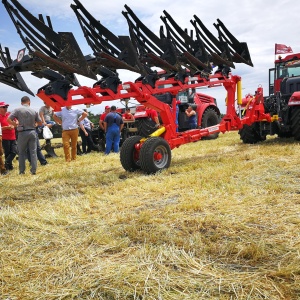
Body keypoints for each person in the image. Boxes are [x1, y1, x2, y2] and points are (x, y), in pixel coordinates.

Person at [7, 96, 42, 175]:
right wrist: (34, 125)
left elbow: (8, 119)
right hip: (32, 132)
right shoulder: (34, 110)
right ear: (29, 102)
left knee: (21, 152)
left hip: (22, 132)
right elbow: (40, 123)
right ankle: (33, 170)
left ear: (21, 103)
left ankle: (22, 171)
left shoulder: (17, 110)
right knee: (33, 152)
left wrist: (15, 125)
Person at [0, 101, 17, 170]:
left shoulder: (9, 115)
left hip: (13, 136)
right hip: (4, 137)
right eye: (4, 107)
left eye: (6, 107)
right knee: (7, 153)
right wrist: (6, 127)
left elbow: (16, 122)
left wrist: (14, 125)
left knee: (14, 151)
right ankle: (9, 166)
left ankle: (6, 163)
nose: (6, 108)